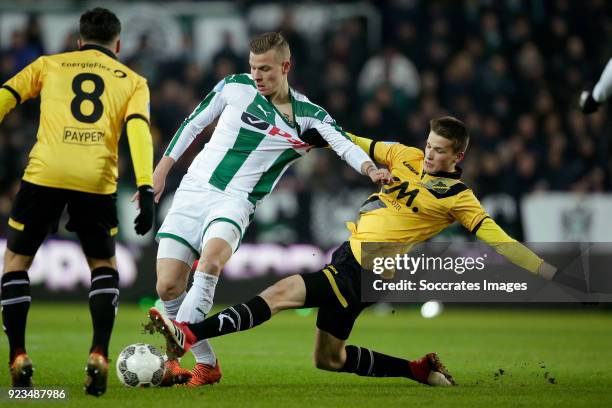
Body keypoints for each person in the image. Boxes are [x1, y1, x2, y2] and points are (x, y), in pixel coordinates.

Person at [146, 116, 558, 386]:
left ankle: (190, 333)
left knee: (280, 294)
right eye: (430, 145)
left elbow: (497, 238)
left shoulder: (458, 197)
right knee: (329, 359)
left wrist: (545, 270)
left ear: (458, 156)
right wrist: (312, 133)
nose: (430, 154)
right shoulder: (405, 156)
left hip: (369, 271)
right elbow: (354, 141)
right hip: (349, 257)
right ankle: (417, 370)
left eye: (440, 150)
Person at [147, 32, 390, 387]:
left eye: (264, 69)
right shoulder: (233, 86)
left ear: (285, 67)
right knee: (168, 287)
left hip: (236, 201)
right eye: (252, 67)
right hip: (192, 192)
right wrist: (162, 169)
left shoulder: (308, 117)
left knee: (211, 261)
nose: (256, 75)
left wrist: (371, 169)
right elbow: (194, 123)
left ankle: (176, 348)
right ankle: (208, 364)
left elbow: (344, 144)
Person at [0, 8, 154, 396]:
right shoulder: (134, 81)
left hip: (45, 173)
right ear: (117, 45)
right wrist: (146, 186)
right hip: (95, 178)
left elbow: (6, 96)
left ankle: (18, 354)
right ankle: (99, 352)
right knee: (102, 264)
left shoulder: (50, 63)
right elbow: (137, 128)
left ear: (79, 41)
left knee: (16, 262)